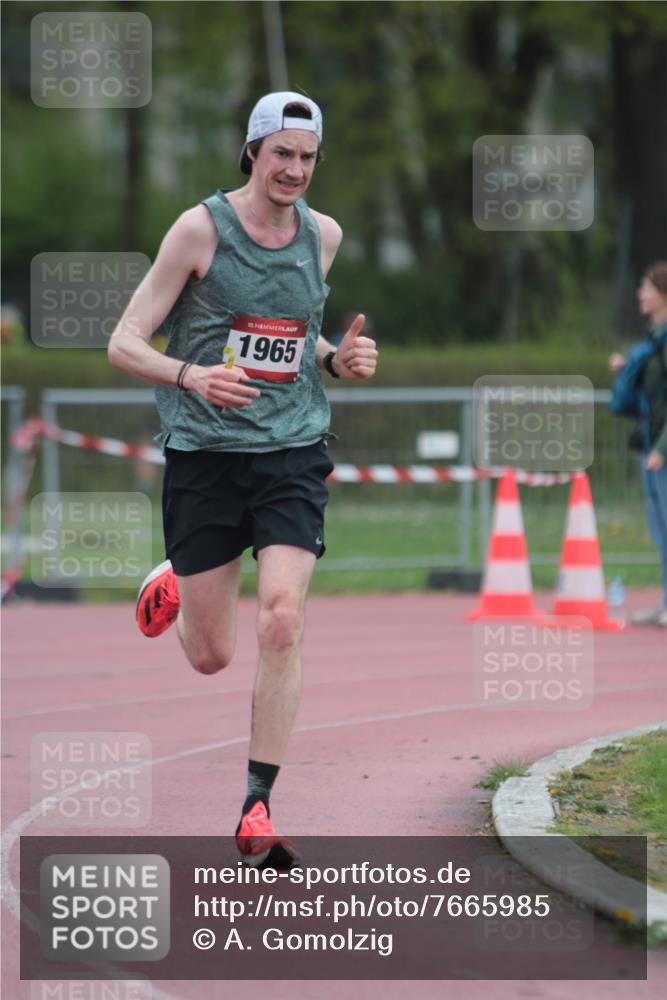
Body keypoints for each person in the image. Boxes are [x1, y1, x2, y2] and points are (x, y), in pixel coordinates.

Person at [108, 92, 378, 865]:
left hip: (293, 450)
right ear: (252, 152)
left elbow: (300, 335)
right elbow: (125, 342)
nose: (294, 169)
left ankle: (257, 805)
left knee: (283, 619)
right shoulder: (200, 230)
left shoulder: (321, 235)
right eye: (281, 153)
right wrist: (191, 375)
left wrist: (338, 359)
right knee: (209, 655)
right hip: (205, 455)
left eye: (307, 156)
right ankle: (172, 582)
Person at [609, 261, 667, 627]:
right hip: (649, 441)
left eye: (646, 287)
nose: (640, 294)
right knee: (659, 527)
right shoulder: (652, 339)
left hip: (661, 448)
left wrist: (663, 448)